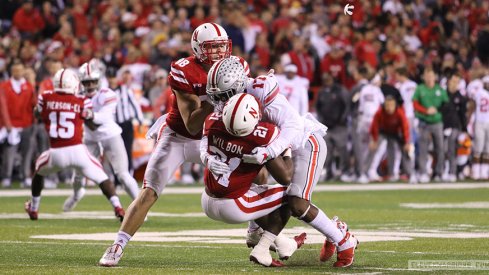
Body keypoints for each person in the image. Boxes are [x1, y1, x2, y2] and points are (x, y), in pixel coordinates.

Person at [99, 22, 249, 267]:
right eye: (213, 48)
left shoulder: (237, 66)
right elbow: (191, 124)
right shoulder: (185, 70)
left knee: (255, 173)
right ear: (198, 48)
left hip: (213, 137)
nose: (220, 53)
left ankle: (258, 231)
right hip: (179, 136)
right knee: (149, 191)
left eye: (223, 47)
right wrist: (216, 98)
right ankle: (117, 245)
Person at [205, 57, 358, 268]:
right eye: (217, 96)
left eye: (224, 95)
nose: (220, 102)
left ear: (239, 85)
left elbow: (293, 125)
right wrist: (208, 158)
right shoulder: (230, 103)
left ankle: (342, 239)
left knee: (296, 202)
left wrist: (270, 151)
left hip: (302, 144)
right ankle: (257, 232)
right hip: (273, 148)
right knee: (253, 182)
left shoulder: (260, 89)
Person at [201, 93, 306, 267]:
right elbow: (286, 177)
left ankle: (282, 243)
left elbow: (203, 144)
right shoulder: (263, 135)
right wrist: (285, 148)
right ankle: (262, 250)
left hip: (207, 199)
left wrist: (206, 159)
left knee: (259, 186)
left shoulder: (212, 120)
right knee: (292, 195)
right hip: (233, 205)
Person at [24, 68, 125, 221]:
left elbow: (37, 114)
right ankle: (117, 207)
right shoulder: (82, 100)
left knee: (39, 172)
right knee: (102, 177)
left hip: (56, 152)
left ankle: (34, 208)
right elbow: (92, 126)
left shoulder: (45, 97)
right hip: (78, 150)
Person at [63, 60, 140, 212]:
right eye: (86, 82)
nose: (90, 85)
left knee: (123, 175)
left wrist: (88, 114)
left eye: (93, 81)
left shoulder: (108, 94)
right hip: (90, 138)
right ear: (81, 82)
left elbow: (102, 119)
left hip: (110, 135)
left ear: (98, 80)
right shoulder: (77, 97)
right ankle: (77, 195)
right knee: (78, 174)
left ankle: (140, 207)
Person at [0, 60, 36, 188]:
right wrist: (7, 124)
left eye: (20, 70)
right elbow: (2, 107)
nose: (18, 72)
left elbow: (34, 104)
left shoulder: (29, 86)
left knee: (27, 152)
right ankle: (7, 176)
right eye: (16, 70)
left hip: (26, 124)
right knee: (9, 153)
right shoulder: (4, 86)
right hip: (12, 125)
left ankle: (25, 176)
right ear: (11, 71)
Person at [369, 95, 416, 183]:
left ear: (395, 105)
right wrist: (374, 140)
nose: (389, 108)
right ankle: (367, 172)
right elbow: (374, 126)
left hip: (396, 133)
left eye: (391, 105)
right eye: (387, 105)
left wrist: (406, 142)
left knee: (406, 150)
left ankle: (410, 173)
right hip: (383, 131)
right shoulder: (379, 113)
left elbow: (405, 128)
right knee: (374, 147)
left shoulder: (399, 113)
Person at [413, 68, 448, 182]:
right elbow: (415, 104)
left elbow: (446, 104)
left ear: (434, 77)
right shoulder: (420, 88)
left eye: (430, 76)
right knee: (423, 148)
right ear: (424, 77)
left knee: (440, 148)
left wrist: (436, 109)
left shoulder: (439, 89)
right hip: (424, 122)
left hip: (437, 122)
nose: (429, 78)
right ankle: (423, 172)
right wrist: (425, 111)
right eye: (427, 76)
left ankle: (438, 172)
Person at [441, 72, 467, 182]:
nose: (455, 84)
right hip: (442, 125)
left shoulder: (460, 97)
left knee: (451, 148)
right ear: (448, 81)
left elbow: (462, 114)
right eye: (453, 81)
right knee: (442, 149)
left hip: (455, 125)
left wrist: (464, 129)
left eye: (457, 82)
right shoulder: (442, 94)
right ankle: (442, 171)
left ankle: (452, 172)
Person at [467, 76, 489, 180]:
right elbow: (472, 104)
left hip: (487, 122)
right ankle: (476, 171)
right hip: (480, 121)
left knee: (487, 149)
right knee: (478, 148)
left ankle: (484, 172)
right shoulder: (479, 92)